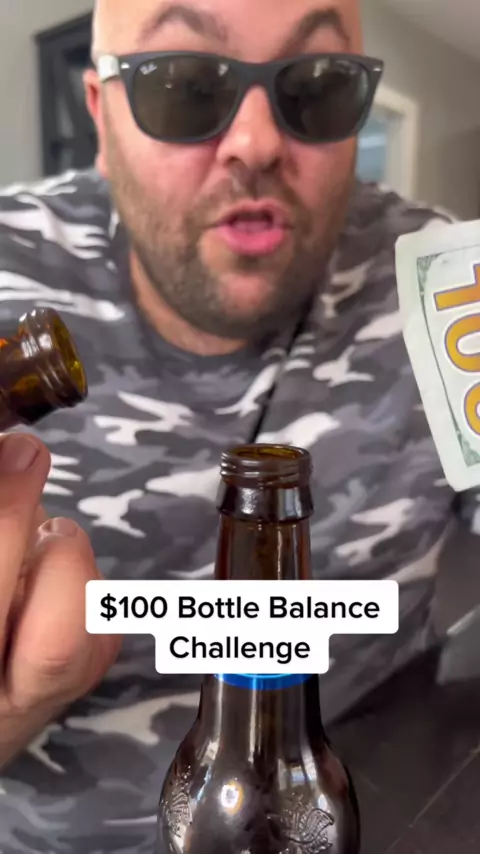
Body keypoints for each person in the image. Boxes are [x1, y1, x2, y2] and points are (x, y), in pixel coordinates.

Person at [0, 0, 472, 850]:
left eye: (317, 85)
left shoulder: (449, 286)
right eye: (184, 84)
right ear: (101, 116)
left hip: (352, 808)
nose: (255, 142)